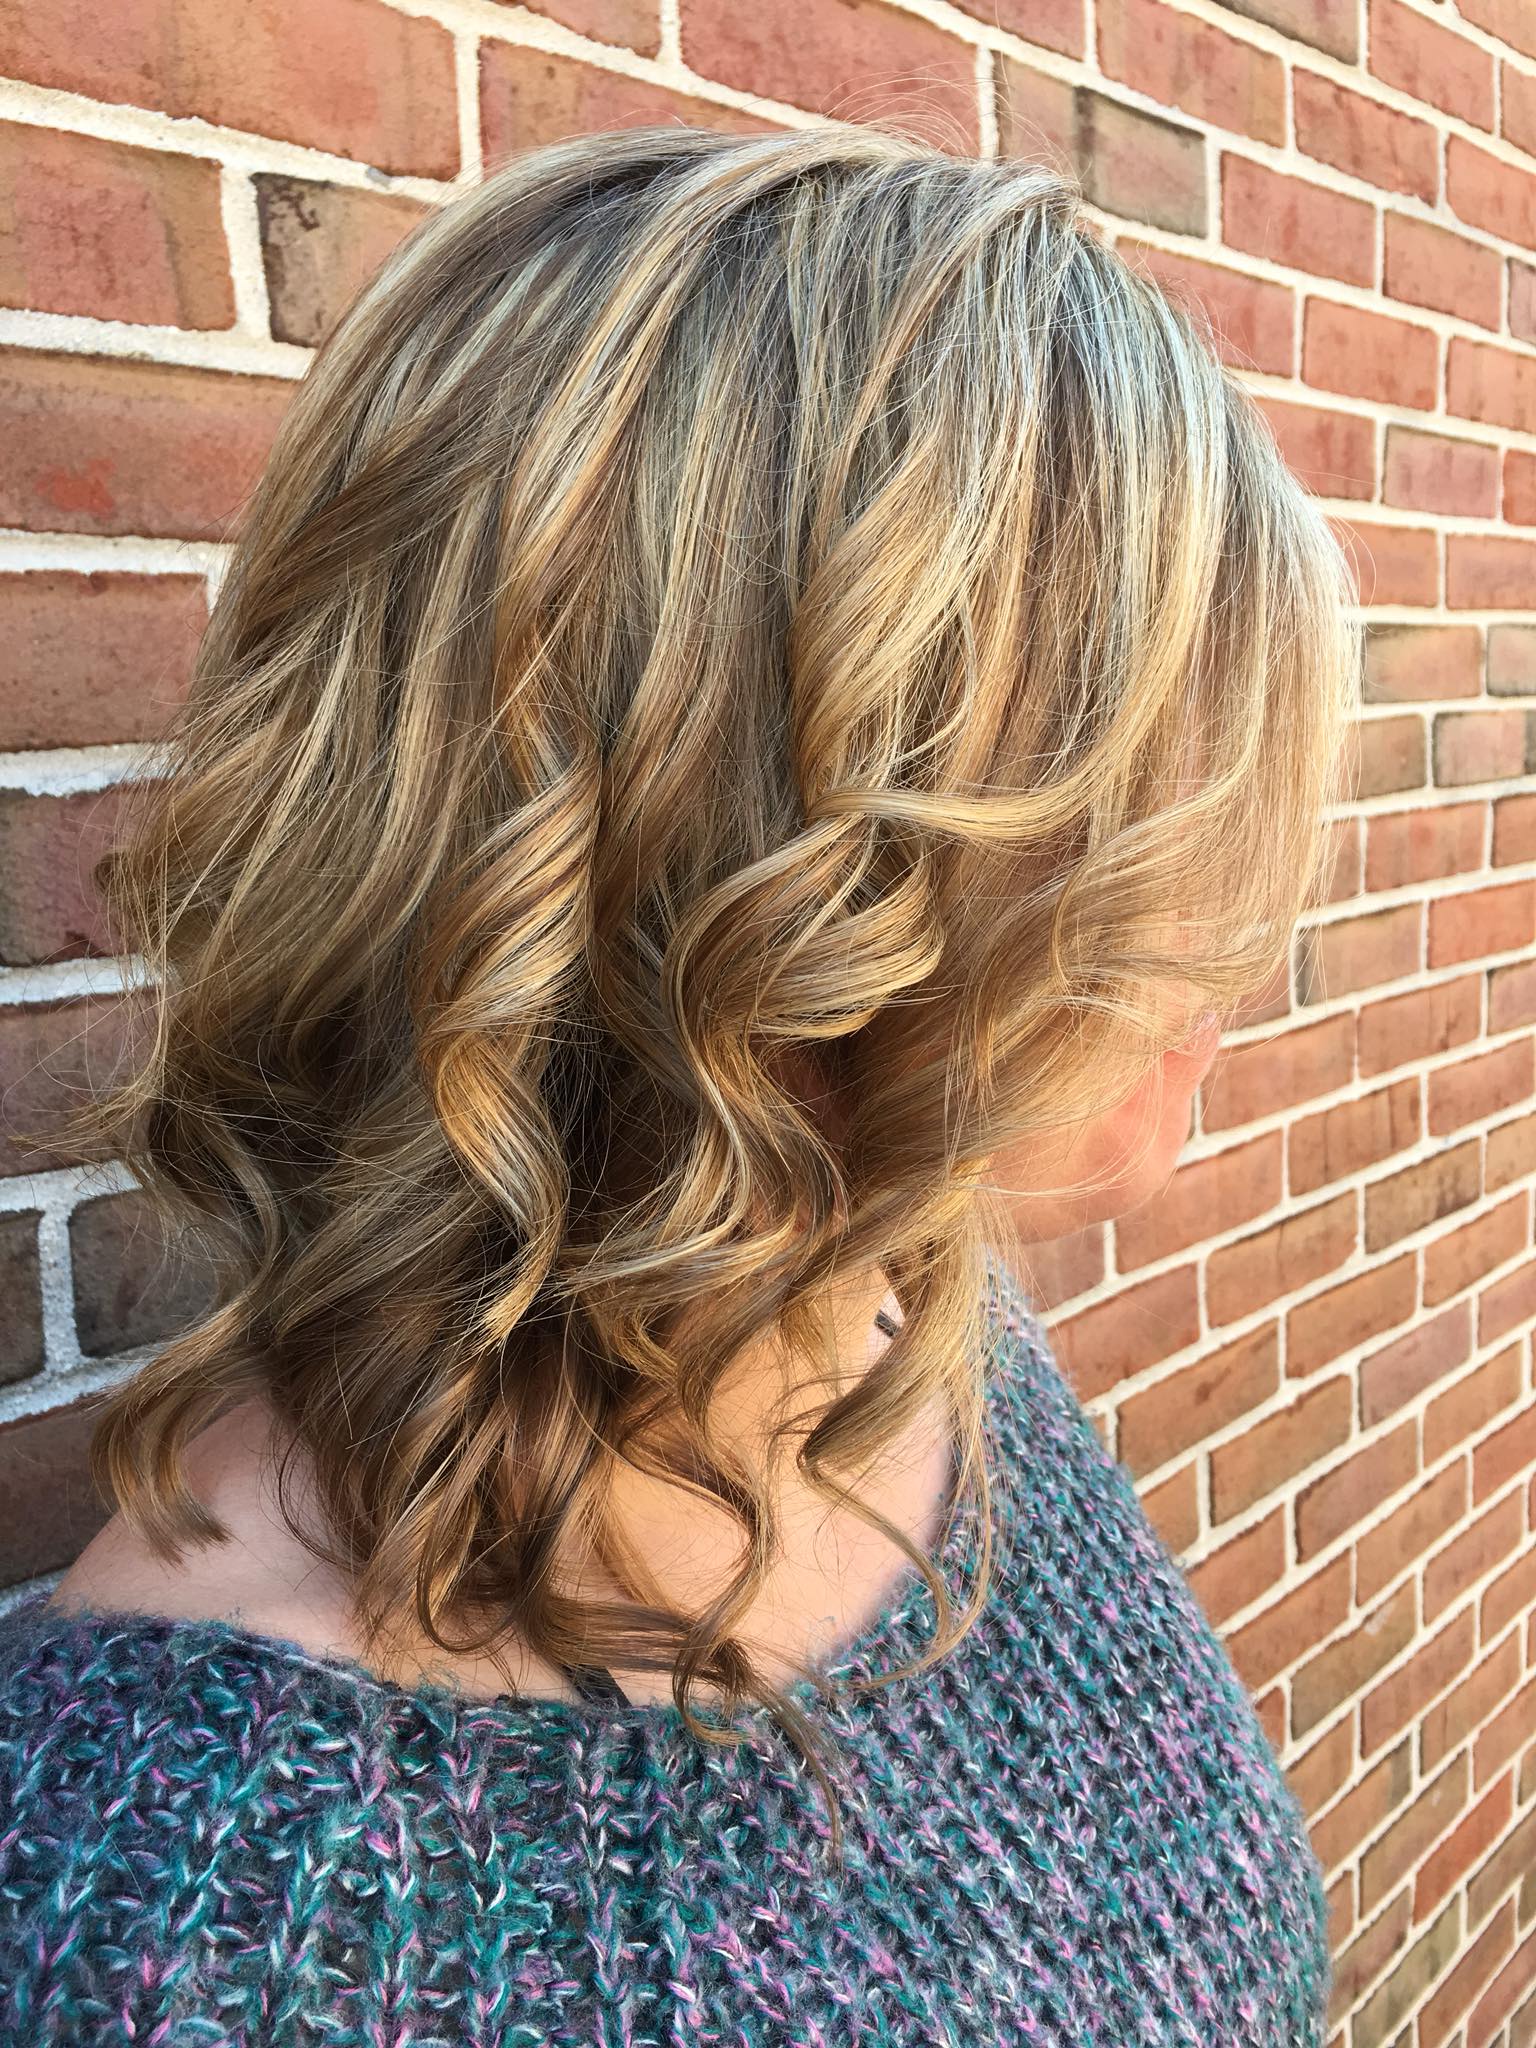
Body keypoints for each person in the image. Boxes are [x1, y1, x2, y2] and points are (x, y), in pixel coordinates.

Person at [0, 121, 1358, 2045]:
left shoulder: (912, 1316)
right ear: (802, 878)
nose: (1235, 939)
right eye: (1163, 828)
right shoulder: (187, 1928)